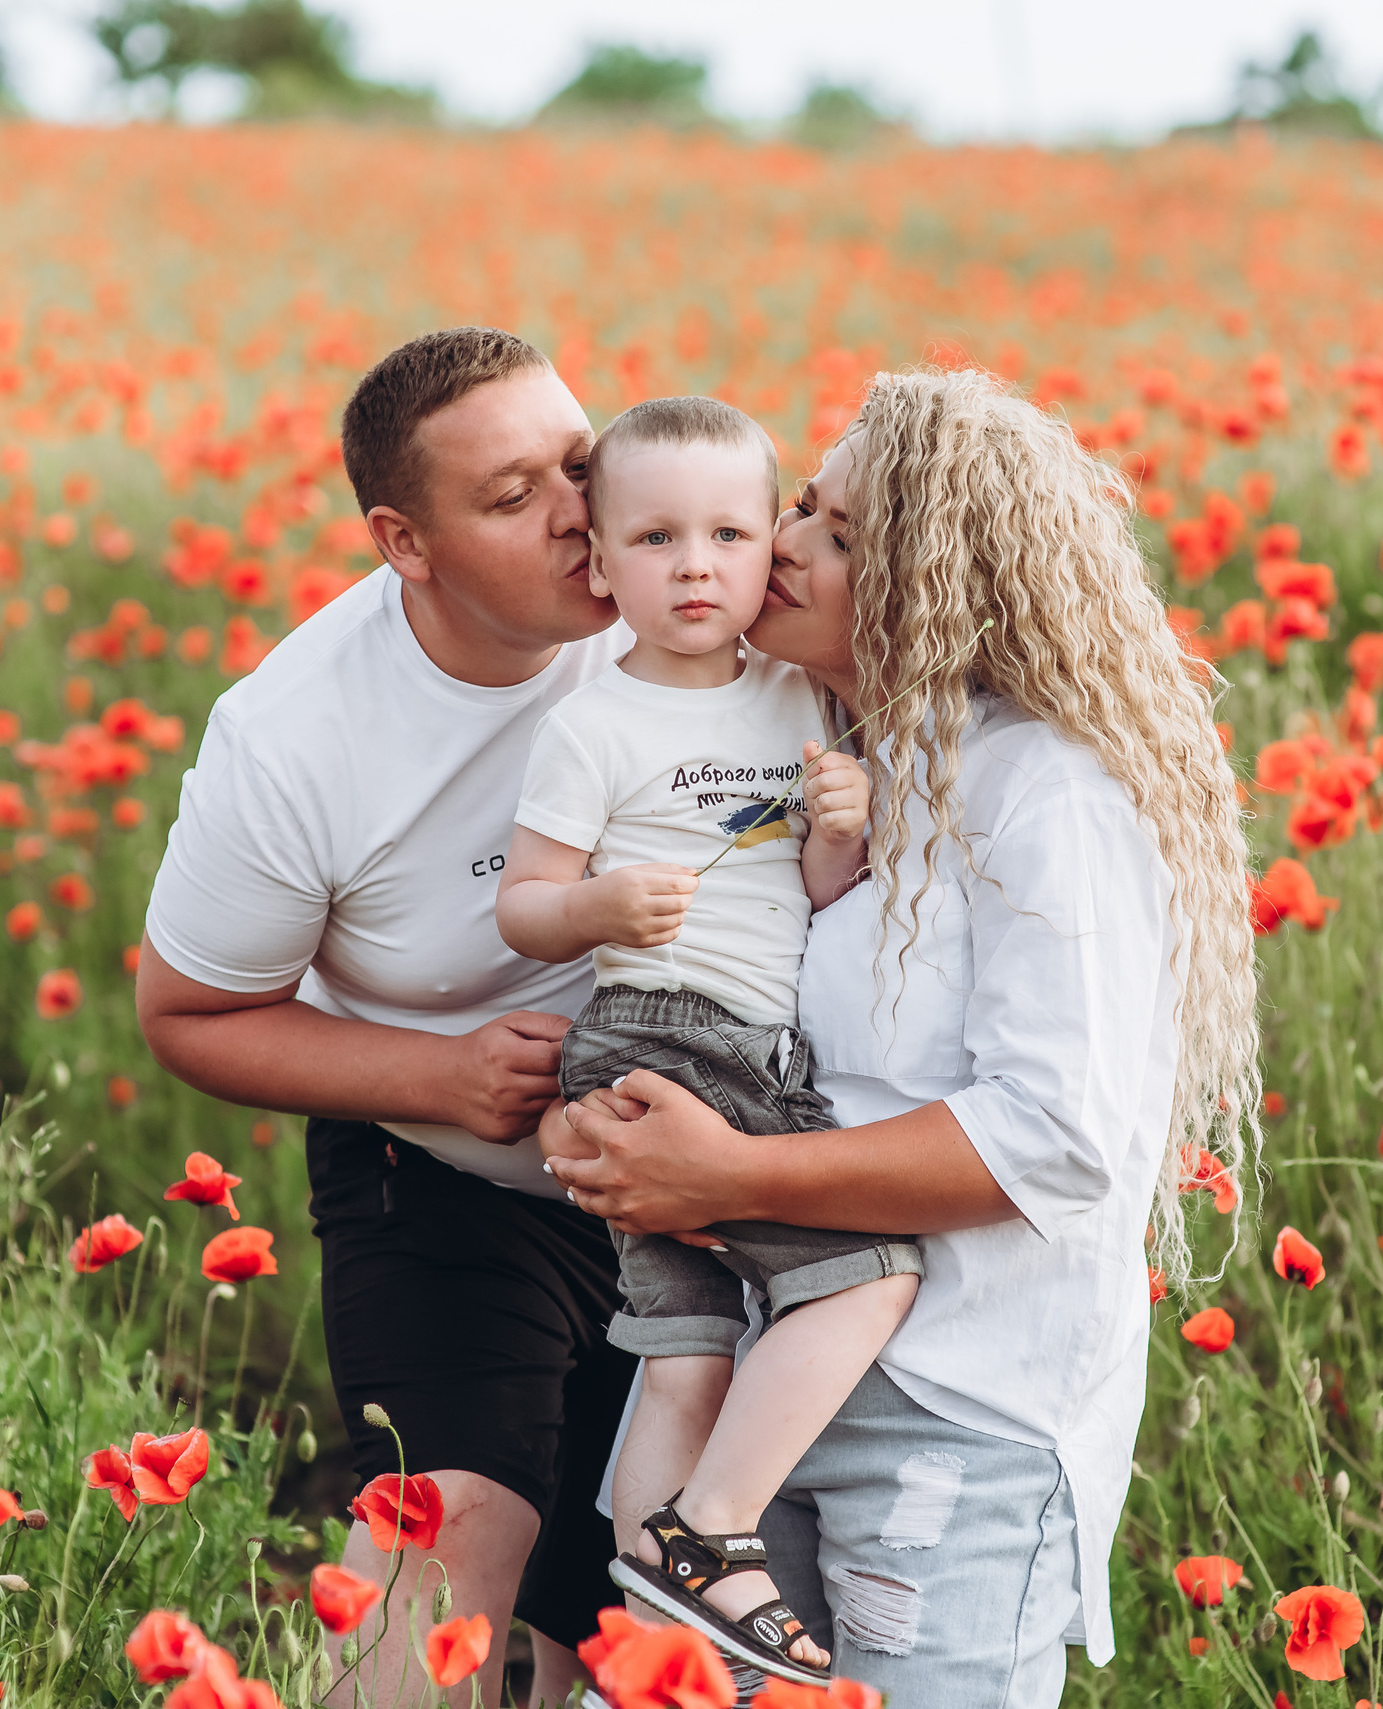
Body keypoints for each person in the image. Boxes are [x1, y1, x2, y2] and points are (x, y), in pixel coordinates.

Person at [543, 367, 1261, 1706]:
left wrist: (729, 1176)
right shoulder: (821, 756)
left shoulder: (1049, 790)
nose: (783, 544)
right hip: (760, 1377)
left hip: (954, 1417)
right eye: (802, 507)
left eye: (839, 531)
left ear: (941, 578)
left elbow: (1054, 1138)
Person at [135, 327, 636, 1709]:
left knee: (636, 1579)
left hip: (697, 1171)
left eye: (581, 464)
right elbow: (189, 1011)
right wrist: (441, 1075)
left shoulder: (680, 588)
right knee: (449, 1522)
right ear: (404, 544)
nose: (579, 515)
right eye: (514, 496)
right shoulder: (296, 736)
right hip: (446, 1169)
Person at [493, 396, 916, 1684]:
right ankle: (712, 1535)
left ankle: (652, 1626)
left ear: (768, 545)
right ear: (601, 562)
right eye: (656, 538)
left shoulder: (798, 696)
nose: (695, 567)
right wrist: (597, 909)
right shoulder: (593, 725)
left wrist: (840, 826)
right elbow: (525, 904)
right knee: (870, 1274)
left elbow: (819, 896)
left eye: (730, 535)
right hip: (663, 1039)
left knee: (685, 1353)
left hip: (754, 1045)